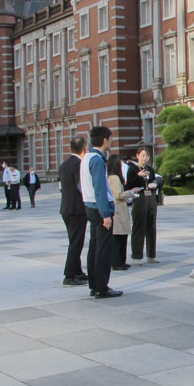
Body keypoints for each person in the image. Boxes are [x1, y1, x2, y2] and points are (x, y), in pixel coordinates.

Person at [80, 126, 122, 298]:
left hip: (89, 205)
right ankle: (101, 286)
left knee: (95, 247)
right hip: (99, 208)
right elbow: (100, 188)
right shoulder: (97, 160)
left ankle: (94, 284)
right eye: (110, 139)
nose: (111, 142)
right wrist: (106, 213)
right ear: (105, 140)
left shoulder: (86, 158)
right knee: (103, 249)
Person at [59, 135, 89, 287]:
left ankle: (77, 271)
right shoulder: (79, 164)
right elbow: (80, 186)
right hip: (77, 208)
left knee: (74, 240)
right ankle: (69, 275)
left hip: (66, 207)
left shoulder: (64, 164)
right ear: (85, 149)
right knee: (76, 242)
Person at [125, 146, 160, 265]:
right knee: (139, 226)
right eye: (143, 155)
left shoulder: (150, 169)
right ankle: (136, 256)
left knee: (151, 226)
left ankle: (151, 255)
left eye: (147, 156)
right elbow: (129, 184)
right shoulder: (133, 169)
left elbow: (154, 181)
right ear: (137, 156)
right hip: (139, 199)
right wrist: (138, 176)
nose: (145, 158)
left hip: (150, 198)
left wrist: (155, 184)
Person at [107, 154, 137, 271]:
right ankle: (118, 262)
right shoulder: (114, 178)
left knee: (120, 237)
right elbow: (118, 195)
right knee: (119, 237)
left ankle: (120, 261)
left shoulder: (111, 177)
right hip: (118, 210)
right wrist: (131, 192)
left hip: (118, 209)